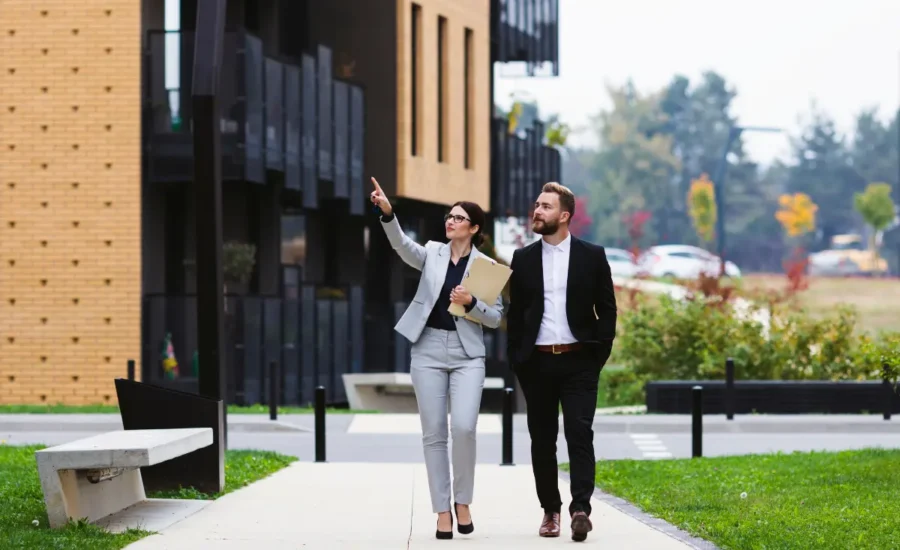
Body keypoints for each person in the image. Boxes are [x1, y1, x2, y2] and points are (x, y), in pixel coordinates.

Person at [369, 177, 503, 540]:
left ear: (474, 228)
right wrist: (388, 213)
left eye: (459, 218)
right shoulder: (431, 252)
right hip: (426, 348)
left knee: (463, 428)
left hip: (467, 355)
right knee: (433, 435)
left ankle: (463, 501)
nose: (451, 221)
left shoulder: (488, 266)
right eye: (449, 216)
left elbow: (496, 317)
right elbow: (401, 246)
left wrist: (472, 303)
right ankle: (443, 510)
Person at [505, 182, 617, 542]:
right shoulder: (522, 259)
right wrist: (518, 359)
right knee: (542, 440)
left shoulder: (592, 256)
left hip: (579, 361)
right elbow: (517, 313)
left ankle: (580, 508)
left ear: (564, 215)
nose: (537, 211)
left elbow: (608, 310)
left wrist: (597, 354)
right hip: (536, 363)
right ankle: (550, 511)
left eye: (546, 206)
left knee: (579, 433)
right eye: (536, 205)